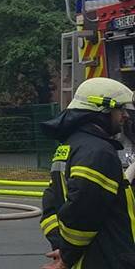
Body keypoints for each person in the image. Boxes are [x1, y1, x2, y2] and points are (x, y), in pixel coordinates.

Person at [40, 77, 135, 268]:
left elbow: (51, 203)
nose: (124, 116)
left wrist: (62, 247)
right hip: (106, 259)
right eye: (120, 109)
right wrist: (66, 256)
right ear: (101, 110)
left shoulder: (69, 146)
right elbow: (83, 209)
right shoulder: (98, 151)